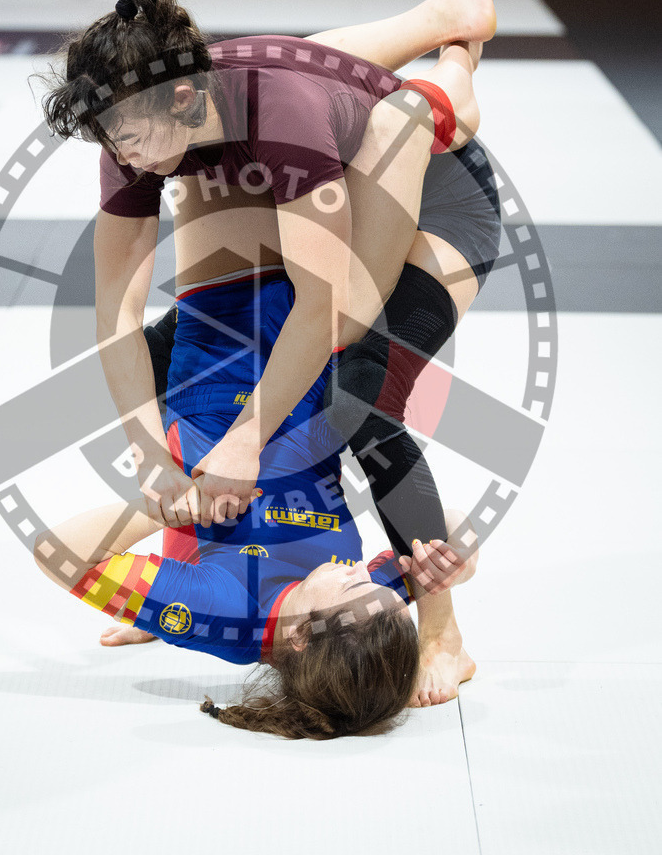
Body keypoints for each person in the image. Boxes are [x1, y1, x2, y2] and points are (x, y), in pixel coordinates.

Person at [39, 0, 500, 703]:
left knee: (358, 386)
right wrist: (155, 465)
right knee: (155, 374)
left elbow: (324, 308)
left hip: (435, 203)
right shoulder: (151, 126)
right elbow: (114, 319)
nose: (121, 161)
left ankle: (445, 635)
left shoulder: (275, 107)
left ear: (181, 98)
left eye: (126, 141)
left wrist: (244, 447)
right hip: (310, 179)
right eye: (109, 145)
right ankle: (450, 20)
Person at [33, 267, 478, 739]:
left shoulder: (224, 614)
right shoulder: (361, 607)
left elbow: (56, 552)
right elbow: (450, 525)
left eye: (354, 585)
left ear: (302, 636)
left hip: (219, 350)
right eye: (384, 586)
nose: (363, 571)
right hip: (311, 356)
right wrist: (459, 558)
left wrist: (171, 508)